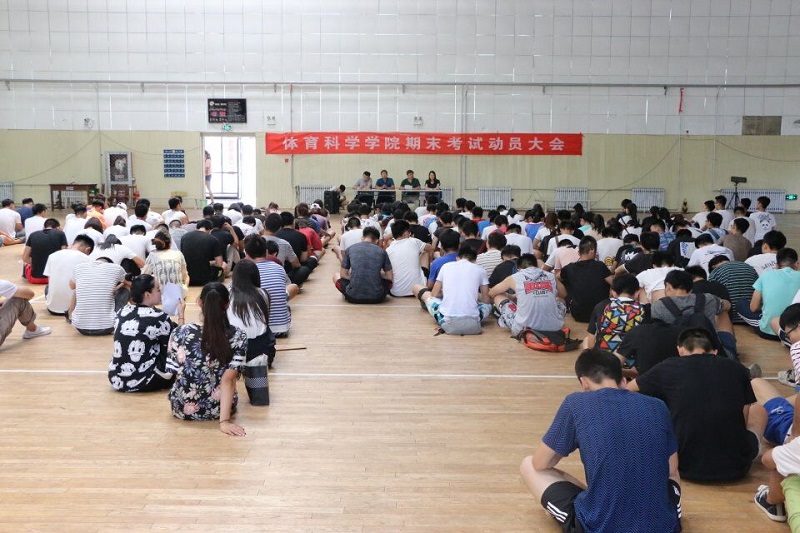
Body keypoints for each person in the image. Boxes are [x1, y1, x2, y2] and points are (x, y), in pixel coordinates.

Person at [519, 349, 681, 533]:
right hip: (664, 527)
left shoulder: (576, 403)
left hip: (598, 527)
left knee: (528, 465)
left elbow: (540, 463)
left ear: (584, 382)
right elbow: (671, 469)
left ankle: (597, 503)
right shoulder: (658, 406)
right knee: (671, 474)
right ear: (623, 381)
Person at [628, 328, 762, 482]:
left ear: (680, 350)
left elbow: (629, 389)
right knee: (759, 410)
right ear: (715, 352)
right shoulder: (737, 368)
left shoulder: (668, 366)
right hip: (737, 467)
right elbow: (743, 419)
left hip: (682, 465)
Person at [166, 283, 246, 436]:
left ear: (199, 302)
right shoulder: (238, 336)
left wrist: (181, 317)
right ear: (227, 304)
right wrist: (224, 422)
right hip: (218, 408)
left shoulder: (179, 332)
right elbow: (228, 380)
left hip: (181, 408)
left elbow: (174, 371)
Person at [751, 304, 800, 522]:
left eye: (789, 335)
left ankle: (772, 502)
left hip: (792, 426)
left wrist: (794, 436)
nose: (790, 340)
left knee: (756, 386)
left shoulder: (798, 348)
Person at [108, 274, 177, 392]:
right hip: (146, 380)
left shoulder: (122, 312)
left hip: (116, 378)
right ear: (147, 295)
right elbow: (175, 341)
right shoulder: (160, 317)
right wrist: (181, 315)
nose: (161, 293)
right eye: (158, 290)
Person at [412, 245, 493, 333]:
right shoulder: (481, 270)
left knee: (423, 292)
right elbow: (486, 300)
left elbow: (434, 294)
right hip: (473, 321)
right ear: (474, 260)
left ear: (457, 258)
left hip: (446, 319)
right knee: (488, 305)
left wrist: (447, 292)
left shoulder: (446, 267)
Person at [489, 254, 566, 337]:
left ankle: (506, 319)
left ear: (518, 268)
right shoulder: (550, 275)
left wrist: (509, 295)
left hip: (523, 329)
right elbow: (564, 294)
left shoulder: (514, 277)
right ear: (536, 265)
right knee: (561, 299)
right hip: (554, 328)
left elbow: (491, 293)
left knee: (498, 296)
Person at [740, 248, 800, 340]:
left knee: (741, 304)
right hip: (795, 332)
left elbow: (753, 307)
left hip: (768, 331)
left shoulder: (766, 274)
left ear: (777, 265)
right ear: (797, 263)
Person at [244, 236, 298, 337]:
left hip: (257, 331)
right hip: (281, 328)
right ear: (266, 251)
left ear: (246, 253)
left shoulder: (245, 270)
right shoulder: (278, 268)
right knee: (292, 287)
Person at [227, 259, 275, 370]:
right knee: (266, 328)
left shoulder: (228, 294)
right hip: (260, 351)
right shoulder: (263, 294)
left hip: (233, 351)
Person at [584, 273, 645, 351]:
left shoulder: (601, 306)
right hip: (630, 355)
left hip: (604, 355)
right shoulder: (644, 309)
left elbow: (591, 343)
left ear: (613, 293)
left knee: (586, 340)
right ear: (637, 293)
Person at [334, 227, 393, 304]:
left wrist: (356, 277)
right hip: (377, 298)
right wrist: (376, 274)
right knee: (388, 283)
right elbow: (389, 277)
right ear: (376, 240)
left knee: (336, 276)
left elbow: (343, 274)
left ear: (362, 238)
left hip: (353, 297)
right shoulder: (382, 252)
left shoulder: (350, 249)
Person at [559, 237, 613, 323]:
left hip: (578, 313)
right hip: (600, 313)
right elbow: (614, 283)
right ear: (592, 250)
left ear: (579, 252)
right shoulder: (600, 266)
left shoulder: (569, 268)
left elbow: (556, 278)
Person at [69, 257, 127, 336]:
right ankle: (132, 315)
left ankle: (70, 315)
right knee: (126, 288)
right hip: (108, 327)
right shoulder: (116, 268)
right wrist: (117, 287)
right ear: (110, 264)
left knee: (77, 290)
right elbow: (130, 283)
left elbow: (72, 286)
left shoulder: (79, 267)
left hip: (80, 327)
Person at [43, 234, 94, 316]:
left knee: (48, 287)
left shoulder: (52, 256)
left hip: (52, 308)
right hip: (75, 309)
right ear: (88, 250)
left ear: (72, 244)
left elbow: (50, 280)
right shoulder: (87, 259)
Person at [386, 220, 431, 297]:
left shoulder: (388, 250)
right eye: (409, 231)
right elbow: (430, 248)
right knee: (425, 253)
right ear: (405, 233)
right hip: (420, 289)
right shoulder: (414, 241)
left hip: (397, 292)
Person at [708, 255, 758, 325]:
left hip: (730, 320)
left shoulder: (715, 272)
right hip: (753, 317)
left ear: (713, 267)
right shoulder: (749, 267)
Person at [143, 230, 189, 301]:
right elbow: (184, 276)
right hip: (179, 295)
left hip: (159, 296)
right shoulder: (178, 254)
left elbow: (144, 275)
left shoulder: (152, 255)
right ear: (170, 243)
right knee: (187, 277)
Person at [22, 218, 67, 284]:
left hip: (34, 278)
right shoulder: (61, 233)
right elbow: (64, 255)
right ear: (58, 228)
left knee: (25, 264)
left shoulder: (33, 234)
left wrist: (35, 262)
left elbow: (25, 258)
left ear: (43, 227)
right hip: (53, 278)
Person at [181, 219, 224, 286]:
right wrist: (211, 263)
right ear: (210, 229)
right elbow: (219, 264)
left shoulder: (184, 237)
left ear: (197, 227)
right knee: (223, 266)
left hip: (187, 279)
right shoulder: (213, 239)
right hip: (206, 280)